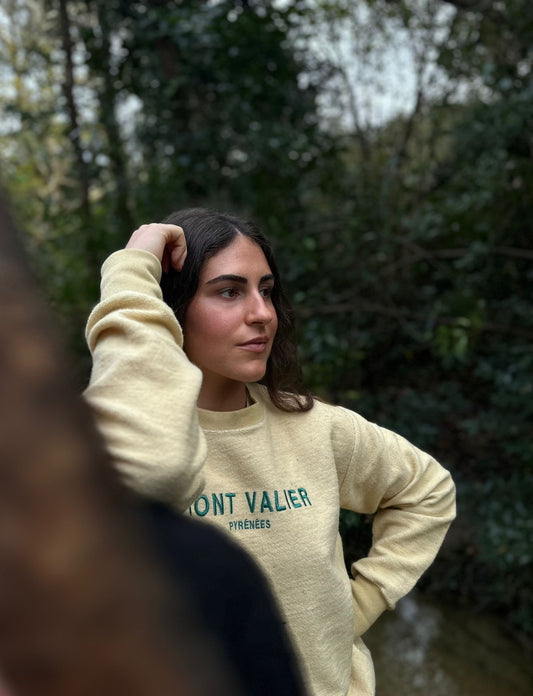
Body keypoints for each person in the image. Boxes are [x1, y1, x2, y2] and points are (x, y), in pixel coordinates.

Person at [84, 208, 456, 696]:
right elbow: (149, 472)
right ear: (170, 309)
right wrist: (133, 270)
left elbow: (428, 490)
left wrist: (355, 606)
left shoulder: (318, 429)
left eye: (266, 290)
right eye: (229, 291)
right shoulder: (111, 443)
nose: (261, 313)